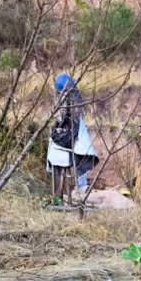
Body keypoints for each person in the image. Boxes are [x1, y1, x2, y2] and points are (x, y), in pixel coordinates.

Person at [46, 73, 99, 204]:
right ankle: (67, 193)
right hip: (68, 136)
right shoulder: (67, 99)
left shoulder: (71, 102)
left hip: (72, 135)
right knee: (72, 161)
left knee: (78, 158)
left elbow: (68, 117)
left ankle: (75, 190)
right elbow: (63, 117)